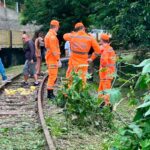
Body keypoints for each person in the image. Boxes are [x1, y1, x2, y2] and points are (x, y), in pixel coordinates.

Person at [89, 33, 116, 106]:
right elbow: (97, 52)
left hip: (106, 73)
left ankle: (108, 105)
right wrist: (91, 59)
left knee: (106, 90)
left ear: (101, 40)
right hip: (109, 73)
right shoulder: (108, 48)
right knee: (101, 89)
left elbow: (104, 62)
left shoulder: (106, 50)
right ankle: (101, 103)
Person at [44, 20, 61, 99]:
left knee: (52, 76)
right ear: (56, 27)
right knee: (53, 76)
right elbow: (54, 51)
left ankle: (50, 93)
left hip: (50, 58)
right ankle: (50, 94)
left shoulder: (49, 35)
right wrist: (58, 59)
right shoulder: (52, 37)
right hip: (52, 59)